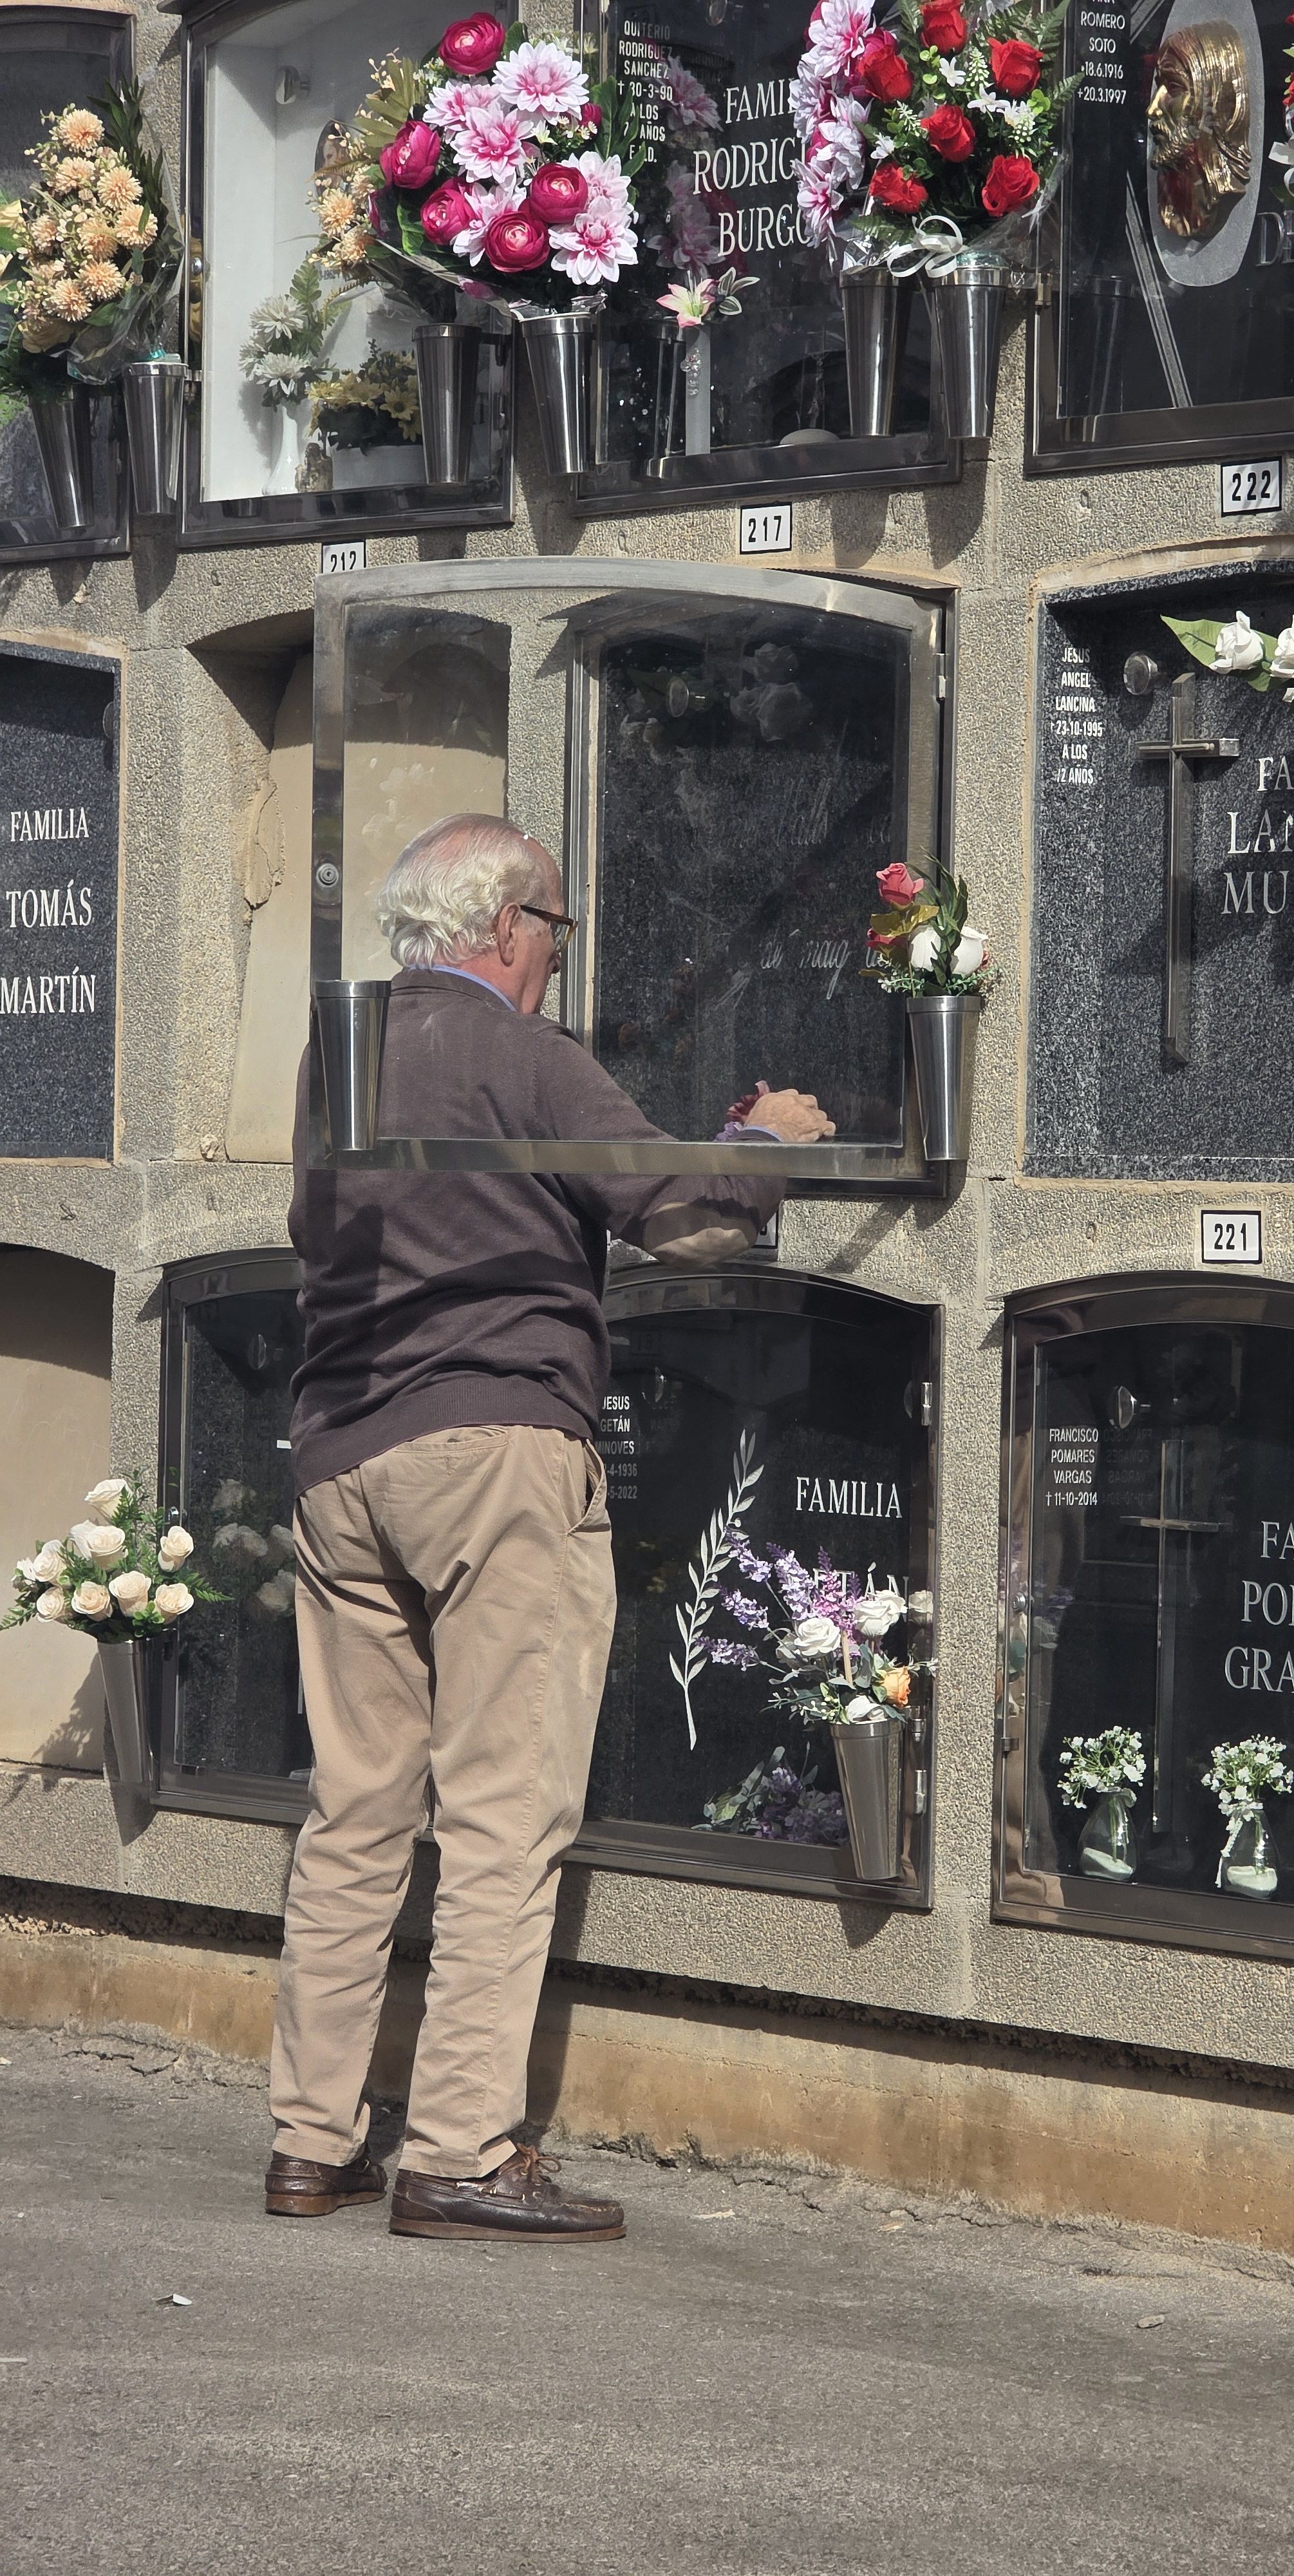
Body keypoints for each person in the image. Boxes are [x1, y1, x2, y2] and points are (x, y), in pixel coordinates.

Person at [265, 814, 833, 2243]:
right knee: (506, 1806)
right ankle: (457, 2148)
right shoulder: (521, 1051)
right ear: (510, 922)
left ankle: (309, 2141)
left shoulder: (341, 1048)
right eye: (561, 931)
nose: (558, 957)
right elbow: (688, 1217)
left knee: (356, 1810)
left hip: (338, 1456)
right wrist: (767, 1138)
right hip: (495, 1446)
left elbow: (313, 1227)